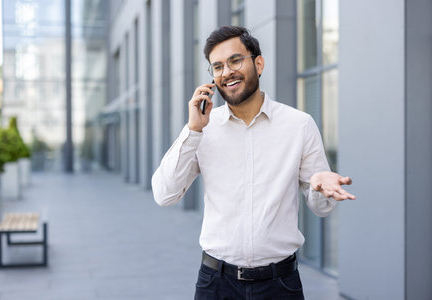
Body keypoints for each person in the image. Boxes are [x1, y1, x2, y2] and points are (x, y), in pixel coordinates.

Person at [151, 26, 356, 300]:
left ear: (258, 64)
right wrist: (192, 130)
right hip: (216, 284)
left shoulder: (299, 125)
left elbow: (321, 208)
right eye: (218, 66)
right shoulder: (203, 129)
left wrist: (319, 186)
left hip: (280, 285)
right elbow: (164, 194)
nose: (227, 72)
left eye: (235, 60)